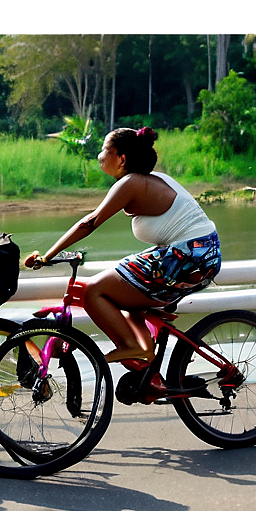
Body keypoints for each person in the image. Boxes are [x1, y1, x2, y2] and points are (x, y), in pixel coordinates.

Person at [25, 127, 221, 363]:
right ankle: (144, 349)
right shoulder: (150, 179)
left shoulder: (131, 182)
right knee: (124, 283)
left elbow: (90, 222)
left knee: (93, 291)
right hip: (201, 255)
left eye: (104, 150)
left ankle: (131, 346)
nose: (99, 156)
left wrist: (48, 255)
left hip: (189, 257)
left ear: (122, 159)